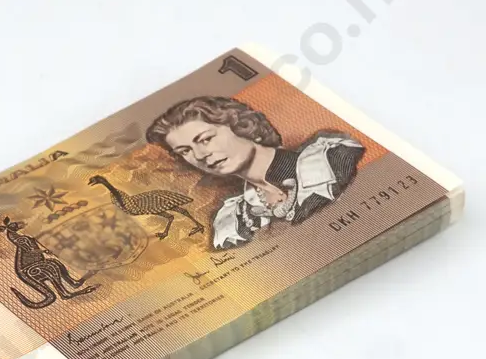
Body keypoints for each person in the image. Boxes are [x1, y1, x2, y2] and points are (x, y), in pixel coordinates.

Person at [145, 95, 365, 249]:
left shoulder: (332, 158)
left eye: (205, 139)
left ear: (241, 126)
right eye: (185, 151)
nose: (200, 155)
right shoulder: (233, 222)